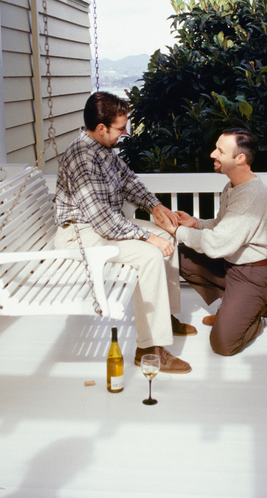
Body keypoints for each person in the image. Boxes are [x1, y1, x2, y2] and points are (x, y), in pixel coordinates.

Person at [54, 91, 196, 374]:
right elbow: (103, 221)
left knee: (167, 236)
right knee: (150, 254)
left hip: (100, 227)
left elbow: (129, 181)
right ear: (101, 128)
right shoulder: (83, 158)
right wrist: (146, 237)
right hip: (81, 235)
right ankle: (148, 349)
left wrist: (154, 206)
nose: (126, 132)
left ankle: (163, 318)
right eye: (121, 128)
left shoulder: (103, 149)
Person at [155, 127, 267, 356]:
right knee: (181, 256)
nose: (213, 155)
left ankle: (256, 312)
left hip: (254, 276)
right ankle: (234, 309)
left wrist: (176, 231)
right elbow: (221, 226)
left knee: (223, 344)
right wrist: (195, 223)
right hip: (231, 266)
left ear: (240, 158)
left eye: (220, 151)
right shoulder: (233, 186)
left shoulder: (250, 195)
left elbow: (216, 244)